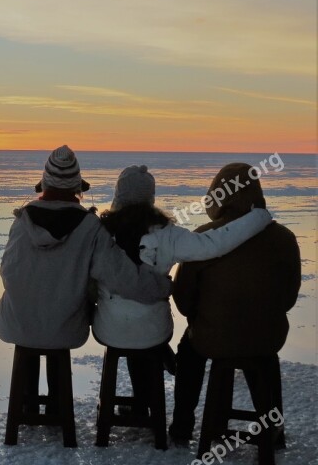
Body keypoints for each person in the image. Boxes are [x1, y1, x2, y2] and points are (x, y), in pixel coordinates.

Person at [92, 165, 272, 414]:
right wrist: (258, 217)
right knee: (144, 329)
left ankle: (140, 403)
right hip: (154, 330)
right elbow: (214, 244)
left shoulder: (99, 234)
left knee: (127, 320)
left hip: (109, 329)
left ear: (118, 195)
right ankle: (147, 397)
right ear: (150, 198)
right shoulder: (168, 235)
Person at [168, 163, 301, 445]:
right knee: (263, 358)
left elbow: (183, 300)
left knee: (189, 351)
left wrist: (206, 317)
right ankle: (272, 431)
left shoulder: (205, 237)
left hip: (213, 338)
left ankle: (182, 425)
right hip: (267, 337)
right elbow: (288, 298)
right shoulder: (285, 239)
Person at [0, 146, 172, 350]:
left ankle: (23, 381)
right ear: (78, 188)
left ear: (43, 185)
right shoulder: (89, 227)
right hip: (66, 331)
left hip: (13, 327)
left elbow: (8, 272)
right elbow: (121, 277)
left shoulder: (22, 221)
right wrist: (163, 287)